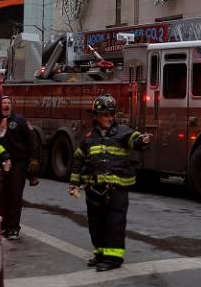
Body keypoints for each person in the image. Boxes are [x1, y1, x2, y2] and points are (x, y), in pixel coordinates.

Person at [68, 94, 152, 272]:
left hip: (116, 191)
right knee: (95, 224)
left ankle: (113, 259)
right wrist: (74, 184)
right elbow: (78, 159)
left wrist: (142, 141)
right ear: (96, 116)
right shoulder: (89, 136)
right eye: (105, 114)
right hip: (94, 189)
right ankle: (100, 254)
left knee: (114, 224)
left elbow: (135, 140)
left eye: (112, 114)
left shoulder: (123, 132)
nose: (109, 118)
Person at [0, 95, 40, 241]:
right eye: (3, 102)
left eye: (8, 102)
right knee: (2, 196)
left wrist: (33, 160)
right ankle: (4, 226)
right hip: (1, 164)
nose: (6, 105)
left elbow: (32, 140)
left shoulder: (20, 121)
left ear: (12, 105)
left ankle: (14, 229)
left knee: (15, 196)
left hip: (18, 164)